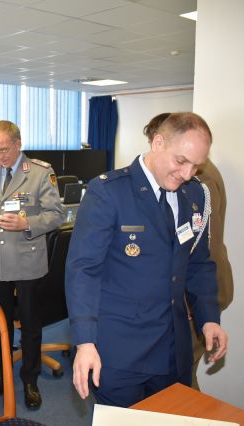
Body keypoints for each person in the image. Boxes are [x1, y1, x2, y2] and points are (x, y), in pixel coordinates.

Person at [66, 112, 228, 408]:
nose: (187, 174)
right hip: (121, 348)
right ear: (158, 143)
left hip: (172, 346)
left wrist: (208, 318)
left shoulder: (194, 194)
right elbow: (83, 271)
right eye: (181, 161)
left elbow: (198, 263)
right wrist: (85, 341)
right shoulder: (109, 191)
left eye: (196, 166)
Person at [144, 113, 234, 390]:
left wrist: (191, 303)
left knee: (181, 377)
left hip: (193, 294)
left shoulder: (197, 182)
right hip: (195, 290)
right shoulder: (200, 171)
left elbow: (198, 248)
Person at [0, 120, 64, 409]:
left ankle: (30, 379)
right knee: (0, 325)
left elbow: (57, 215)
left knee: (31, 325)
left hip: (28, 259)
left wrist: (26, 223)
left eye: (4, 149)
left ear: (18, 144)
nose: (0, 156)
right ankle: (2, 374)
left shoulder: (41, 172)